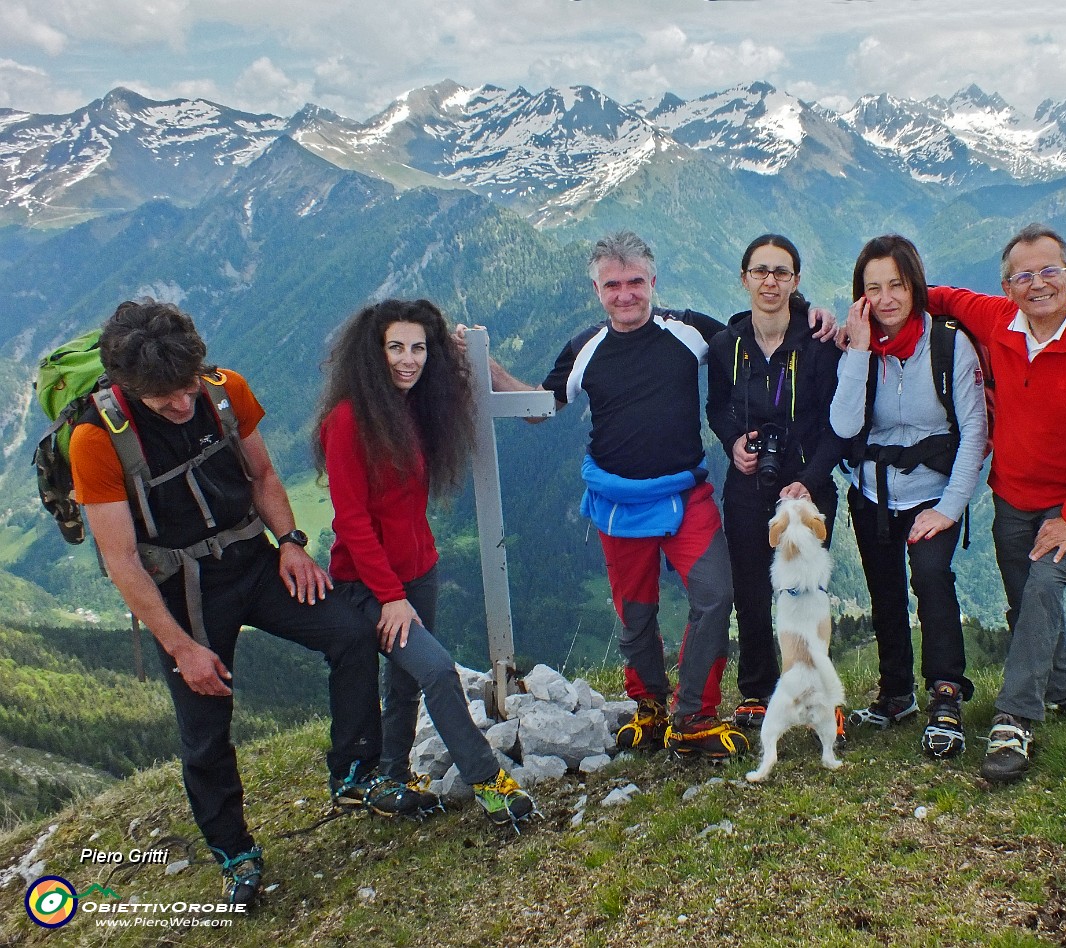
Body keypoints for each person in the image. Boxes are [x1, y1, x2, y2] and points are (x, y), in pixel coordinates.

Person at [69, 301, 399, 910]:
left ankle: (356, 776)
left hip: (253, 559)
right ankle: (235, 855)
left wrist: (293, 544)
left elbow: (263, 474)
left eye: (186, 385)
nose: (181, 403)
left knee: (351, 633)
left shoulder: (224, 392)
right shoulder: (96, 440)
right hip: (182, 590)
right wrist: (180, 646)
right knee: (204, 732)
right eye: (161, 396)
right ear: (125, 386)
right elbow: (121, 560)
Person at [482, 231, 835, 762]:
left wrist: (809, 310)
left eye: (635, 282)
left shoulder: (690, 331)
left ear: (653, 282)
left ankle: (693, 713)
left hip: (684, 494)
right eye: (613, 285)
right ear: (596, 288)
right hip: (618, 500)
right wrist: (481, 364)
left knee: (716, 596)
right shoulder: (585, 348)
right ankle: (649, 706)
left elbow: (755, 333)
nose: (625, 295)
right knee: (636, 613)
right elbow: (539, 407)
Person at [927, 223, 1066, 782]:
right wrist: (871, 301)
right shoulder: (997, 320)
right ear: (1007, 286)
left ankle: (1014, 718)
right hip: (1011, 498)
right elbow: (938, 297)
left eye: (1049, 271)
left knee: (1044, 587)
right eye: (1022, 275)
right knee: (1029, 602)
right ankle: (1063, 693)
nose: (1037, 284)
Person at [313, 298, 535, 828]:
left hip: (421, 569)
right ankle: (488, 782)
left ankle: (391, 775)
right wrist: (389, 597)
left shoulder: (413, 405)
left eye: (418, 347)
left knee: (407, 681)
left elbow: (501, 402)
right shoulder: (347, 422)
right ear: (373, 353)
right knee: (437, 671)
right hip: (368, 582)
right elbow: (352, 521)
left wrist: (467, 351)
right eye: (395, 347)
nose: (408, 360)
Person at [829, 235, 988, 759]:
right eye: (873, 288)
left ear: (915, 285)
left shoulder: (949, 344)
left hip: (932, 493)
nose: (886, 298)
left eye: (896, 284)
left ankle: (945, 695)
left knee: (932, 582)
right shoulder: (856, 347)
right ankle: (896, 693)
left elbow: (974, 432)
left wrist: (948, 510)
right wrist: (856, 351)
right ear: (860, 296)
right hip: (872, 489)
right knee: (885, 592)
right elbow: (844, 424)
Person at [706, 234, 846, 732]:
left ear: (796, 280)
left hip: (807, 486)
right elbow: (717, 406)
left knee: (806, 594)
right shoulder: (726, 346)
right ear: (743, 278)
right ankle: (757, 692)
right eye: (760, 271)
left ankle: (814, 694)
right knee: (749, 590)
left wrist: (809, 481)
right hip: (747, 484)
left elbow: (839, 423)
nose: (770, 281)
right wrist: (731, 443)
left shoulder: (818, 345)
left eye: (781, 272)